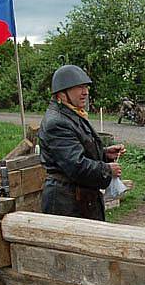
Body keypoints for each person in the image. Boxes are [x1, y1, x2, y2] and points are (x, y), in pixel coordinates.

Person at [39, 65, 125, 220]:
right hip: (65, 203)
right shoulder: (57, 122)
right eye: (79, 88)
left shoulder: (72, 113)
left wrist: (104, 154)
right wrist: (106, 169)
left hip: (78, 198)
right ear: (62, 94)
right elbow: (75, 165)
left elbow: (79, 149)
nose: (85, 92)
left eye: (86, 87)